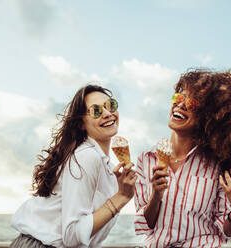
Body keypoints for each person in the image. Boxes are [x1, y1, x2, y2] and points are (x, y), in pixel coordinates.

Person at [134, 69, 231, 248]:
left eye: (192, 103)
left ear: (209, 118)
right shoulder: (147, 159)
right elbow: (146, 225)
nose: (180, 105)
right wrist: (156, 196)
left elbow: (227, 232)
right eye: (179, 98)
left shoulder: (219, 166)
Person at [10, 84, 137, 248]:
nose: (107, 113)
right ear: (81, 124)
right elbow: (72, 235)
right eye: (96, 111)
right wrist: (121, 197)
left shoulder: (107, 166)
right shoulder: (87, 156)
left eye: (110, 105)